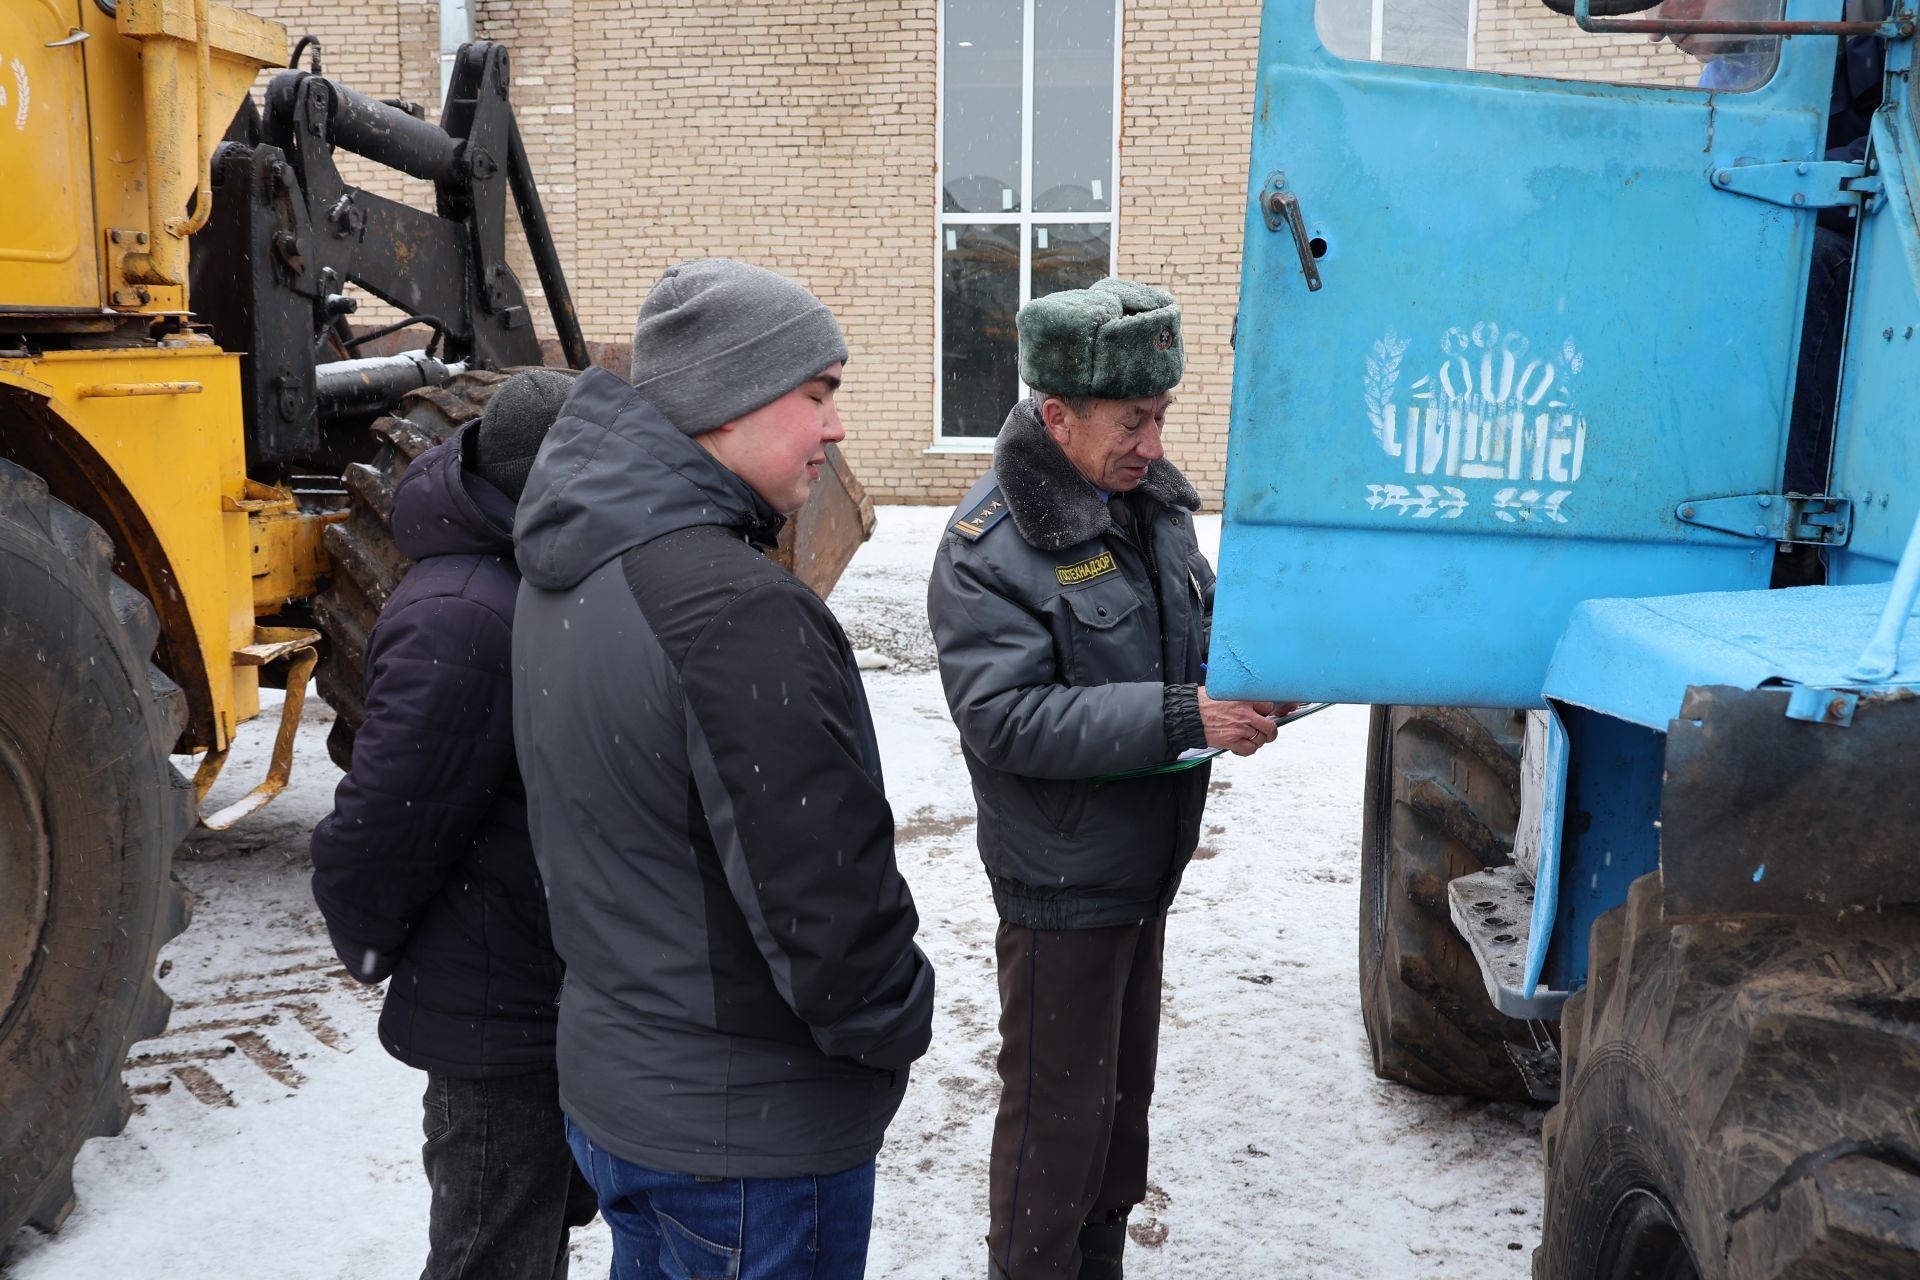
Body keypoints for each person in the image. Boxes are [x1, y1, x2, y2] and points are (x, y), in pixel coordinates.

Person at [510, 259, 936, 1279]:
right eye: (818, 394)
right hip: (751, 1138)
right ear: (725, 400)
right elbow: (827, 917)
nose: (836, 428)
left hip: (627, 1097)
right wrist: (898, 1020)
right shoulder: (736, 611)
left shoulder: (567, 566)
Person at [926, 277, 1286, 1279]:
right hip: (1061, 892)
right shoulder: (993, 546)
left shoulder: (1149, 510)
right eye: (1135, 420)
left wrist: (1267, 675)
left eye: (1162, 416)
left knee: (1117, 1137)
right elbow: (1006, 717)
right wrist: (1188, 714)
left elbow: (1197, 634)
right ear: (1058, 416)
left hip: (1136, 880)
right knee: (1054, 1146)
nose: (1155, 443)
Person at [310, 367, 598, 1279]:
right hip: (495, 1014)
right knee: (492, 1253)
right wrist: (370, 936)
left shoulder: (524, 579)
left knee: (526, 1239)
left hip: (537, 996)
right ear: (551, 481)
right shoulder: (465, 614)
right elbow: (382, 828)